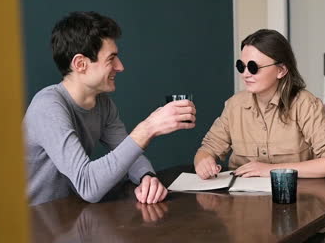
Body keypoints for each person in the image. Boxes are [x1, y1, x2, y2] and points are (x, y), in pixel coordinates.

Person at [24, 11, 196, 206]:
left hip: (69, 215)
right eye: (111, 58)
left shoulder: (103, 104)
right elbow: (88, 186)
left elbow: (128, 153)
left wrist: (146, 177)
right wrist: (148, 128)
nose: (120, 66)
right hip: (32, 224)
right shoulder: (48, 107)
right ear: (80, 64)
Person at [194, 28, 325, 179]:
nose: (245, 74)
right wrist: (203, 162)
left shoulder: (305, 105)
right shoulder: (234, 106)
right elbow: (207, 150)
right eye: (241, 66)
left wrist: (270, 170)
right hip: (244, 202)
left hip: (295, 200)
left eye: (253, 67)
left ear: (281, 70)